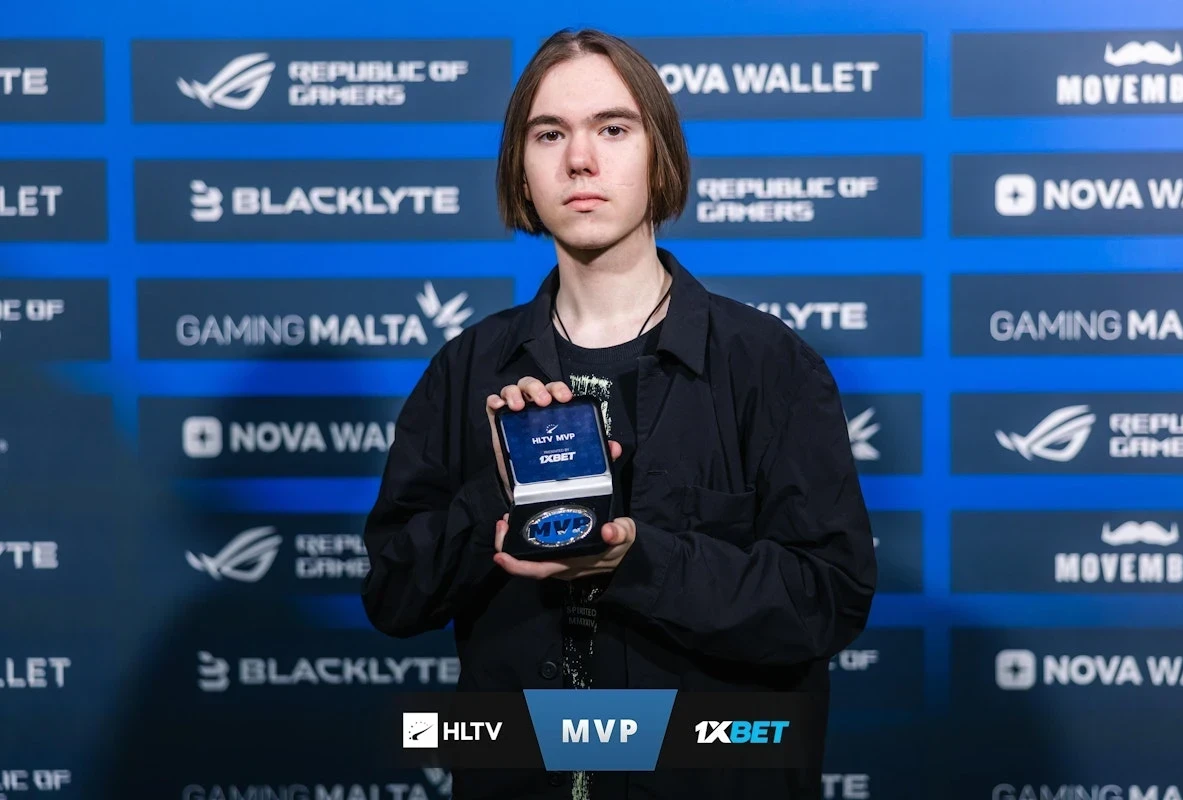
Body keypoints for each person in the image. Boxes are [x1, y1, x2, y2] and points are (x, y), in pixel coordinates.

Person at [361, 27, 876, 800]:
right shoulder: (467, 371)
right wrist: (499, 492)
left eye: (612, 128)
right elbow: (394, 597)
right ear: (520, 169)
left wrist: (636, 563)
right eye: (549, 134)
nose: (579, 159)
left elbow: (827, 600)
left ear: (658, 154)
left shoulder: (768, 364)